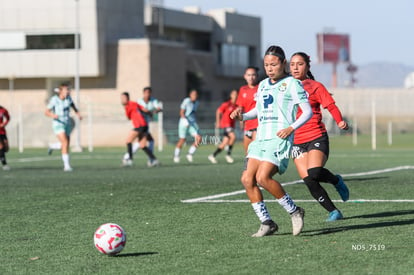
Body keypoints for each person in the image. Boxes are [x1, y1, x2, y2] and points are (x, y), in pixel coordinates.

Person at [231, 46, 313, 237]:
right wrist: (242, 116)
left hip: (279, 139)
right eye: (266, 65)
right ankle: (267, 222)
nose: (269, 68)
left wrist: (291, 128)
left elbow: (307, 111)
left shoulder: (293, 84)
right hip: (260, 139)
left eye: (273, 64)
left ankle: (294, 211)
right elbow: (259, 111)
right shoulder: (263, 85)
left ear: (283, 64)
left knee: (263, 178)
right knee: (246, 179)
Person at [290, 52, 350, 221]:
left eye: (299, 64)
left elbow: (330, 106)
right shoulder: (285, 86)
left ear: (307, 67)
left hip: (316, 136)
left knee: (315, 172)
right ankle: (334, 211)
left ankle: (336, 181)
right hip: (296, 141)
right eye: (292, 64)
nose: (295, 67)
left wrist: (339, 121)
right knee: (309, 180)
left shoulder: (315, 86)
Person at [45, 83, 82, 171]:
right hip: (58, 124)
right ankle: (67, 166)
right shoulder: (54, 100)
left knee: (66, 144)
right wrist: (53, 115)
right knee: (65, 142)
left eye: (68, 90)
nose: (68, 91)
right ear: (60, 91)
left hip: (67, 123)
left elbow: (73, 106)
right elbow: (46, 112)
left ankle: (53, 146)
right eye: (66, 90)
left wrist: (78, 114)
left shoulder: (68, 98)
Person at [122, 87, 162, 165]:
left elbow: (154, 109)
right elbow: (131, 116)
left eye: (123, 98)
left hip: (140, 125)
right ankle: (153, 160)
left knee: (129, 141)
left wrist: (151, 113)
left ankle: (128, 159)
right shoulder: (137, 102)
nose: (122, 99)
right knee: (142, 145)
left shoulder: (132, 104)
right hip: (144, 125)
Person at [208, 89, 238, 164]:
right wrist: (218, 122)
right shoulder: (227, 104)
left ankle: (212, 155)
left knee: (224, 143)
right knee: (233, 137)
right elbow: (218, 111)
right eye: (234, 94)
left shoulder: (236, 106)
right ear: (231, 95)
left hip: (231, 125)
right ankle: (228, 155)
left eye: (236, 94)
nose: (235, 95)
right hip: (226, 124)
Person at [173, 89, 202, 163]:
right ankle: (176, 155)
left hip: (192, 123)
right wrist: (185, 121)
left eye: (196, 95)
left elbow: (193, 113)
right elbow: (181, 112)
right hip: (184, 122)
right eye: (193, 95)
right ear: (190, 95)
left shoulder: (197, 103)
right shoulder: (186, 101)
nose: (194, 96)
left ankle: (190, 154)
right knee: (182, 140)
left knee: (198, 138)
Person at [236, 66, 260, 154]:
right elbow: (240, 107)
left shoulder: (261, 87)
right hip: (247, 124)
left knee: (255, 152)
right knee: (248, 153)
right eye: (249, 75)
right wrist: (240, 120)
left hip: (258, 124)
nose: (251, 77)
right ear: (245, 76)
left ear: (257, 76)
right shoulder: (243, 89)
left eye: (253, 75)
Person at [0, 105, 11, 171]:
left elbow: (8, 118)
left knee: (6, 148)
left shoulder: (3, 110)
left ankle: (1, 156)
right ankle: (4, 165)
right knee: (0, 147)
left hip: (2, 132)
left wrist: (4, 123)